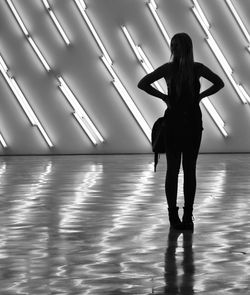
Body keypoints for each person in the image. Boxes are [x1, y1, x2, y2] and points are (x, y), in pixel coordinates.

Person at [137, 32, 224, 231]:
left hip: (191, 122)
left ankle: (187, 214)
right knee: (174, 170)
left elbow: (220, 83)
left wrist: (200, 96)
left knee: (189, 170)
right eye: (172, 45)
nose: (173, 48)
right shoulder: (175, 68)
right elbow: (142, 83)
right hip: (177, 122)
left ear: (186, 47)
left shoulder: (195, 68)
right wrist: (164, 97)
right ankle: (174, 213)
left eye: (177, 45)